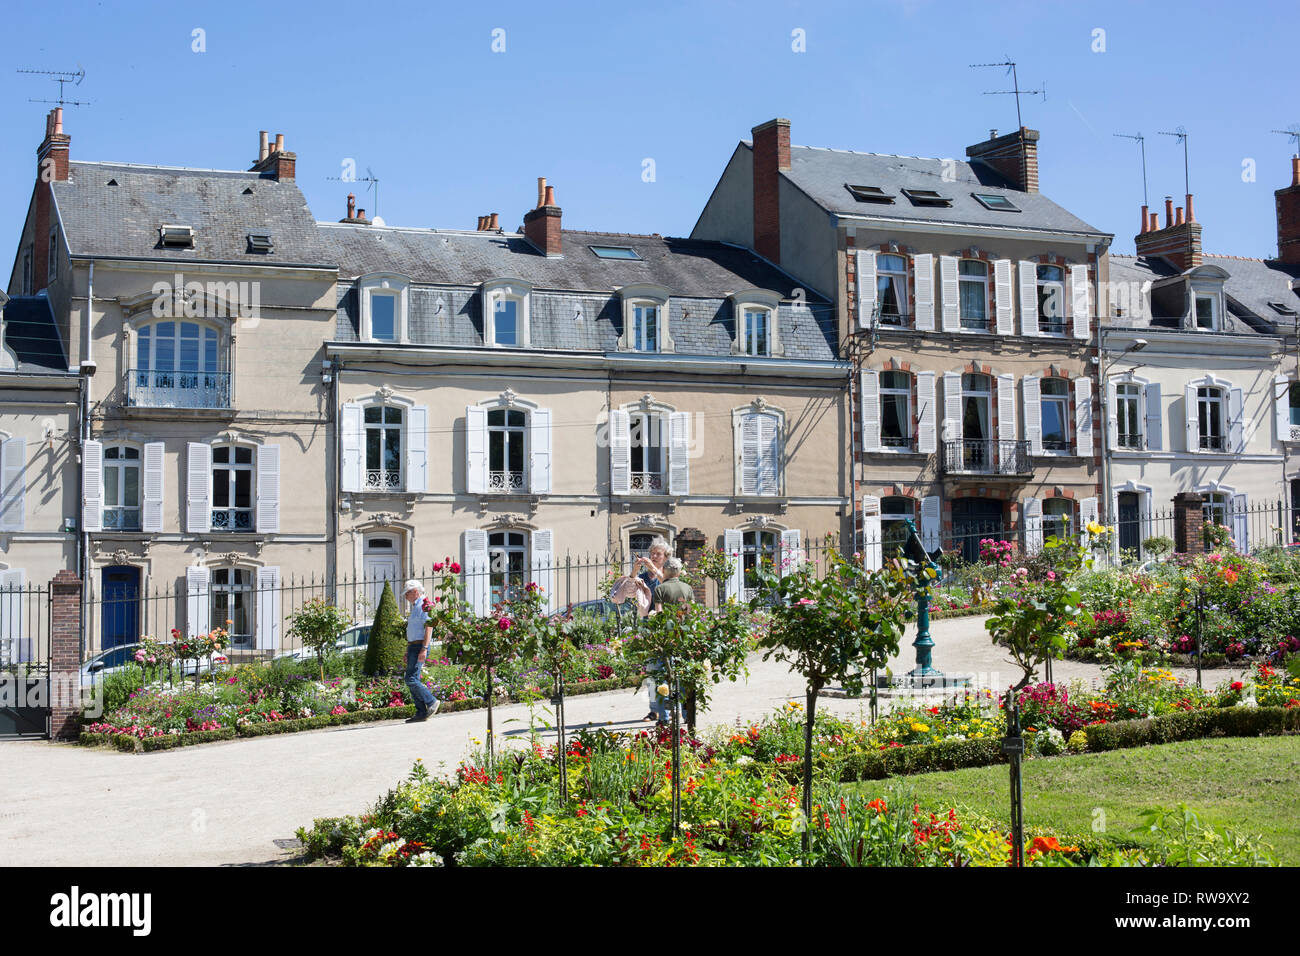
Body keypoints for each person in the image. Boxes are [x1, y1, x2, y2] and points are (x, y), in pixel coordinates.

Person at [402, 580, 440, 723]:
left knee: (410, 679)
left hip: (419, 646)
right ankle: (421, 712)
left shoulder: (425, 605)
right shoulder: (416, 606)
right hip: (414, 646)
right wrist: (408, 650)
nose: (405, 596)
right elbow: (413, 630)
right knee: (412, 679)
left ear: (415, 592)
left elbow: (429, 628)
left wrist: (424, 648)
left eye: (407, 593)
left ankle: (431, 701)